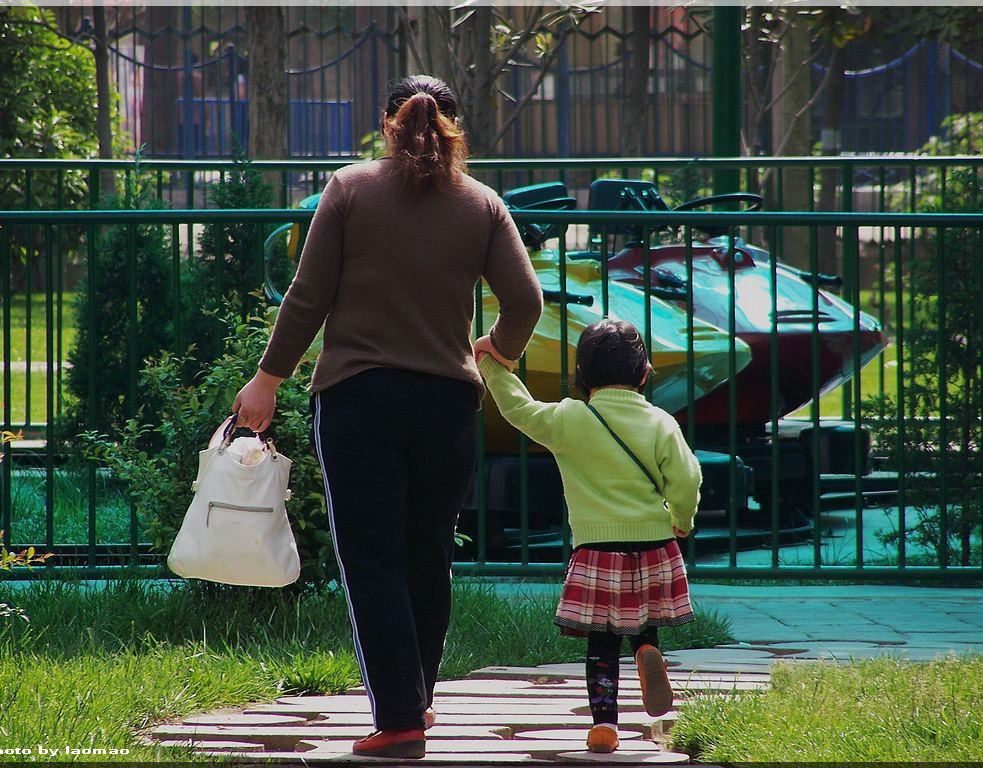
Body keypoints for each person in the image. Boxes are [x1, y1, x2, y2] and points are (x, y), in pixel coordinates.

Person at [231, 74, 543, 760]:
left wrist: (266, 380)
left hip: (359, 400)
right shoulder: (483, 205)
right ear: (457, 127)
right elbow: (525, 302)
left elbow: (308, 298)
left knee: (372, 558)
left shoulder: (348, 190)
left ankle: (399, 715)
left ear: (384, 123)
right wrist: (499, 349)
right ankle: (416, 702)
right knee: (427, 557)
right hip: (448, 404)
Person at [474, 318, 702, 755]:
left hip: (597, 548)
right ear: (643, 372)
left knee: (601, 638)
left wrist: (492, 366)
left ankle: (604, 726)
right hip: (654, 542)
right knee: (643, 618)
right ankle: (647, 650)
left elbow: (519, 409)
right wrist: (682, 519)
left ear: (581, 376)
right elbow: (687, 477)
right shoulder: (660, 422)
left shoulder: (569, 418)